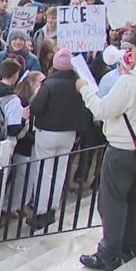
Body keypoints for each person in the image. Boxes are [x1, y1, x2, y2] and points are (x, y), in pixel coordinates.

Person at [76, 25, 136, 271]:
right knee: (135, 199)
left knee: (113, 202)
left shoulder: (130, 83)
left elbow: (102, 110)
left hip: (122, 149)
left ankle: (108, 253)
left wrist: (85, 89)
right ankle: (129, 247)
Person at [27, 47, 90, 230]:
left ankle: (41, 212)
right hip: (69, 133)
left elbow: (37, 108)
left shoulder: (49, 84)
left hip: (47, 132)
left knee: (44, 172)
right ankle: (52, 210)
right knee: (60, 171)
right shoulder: (79, 84)